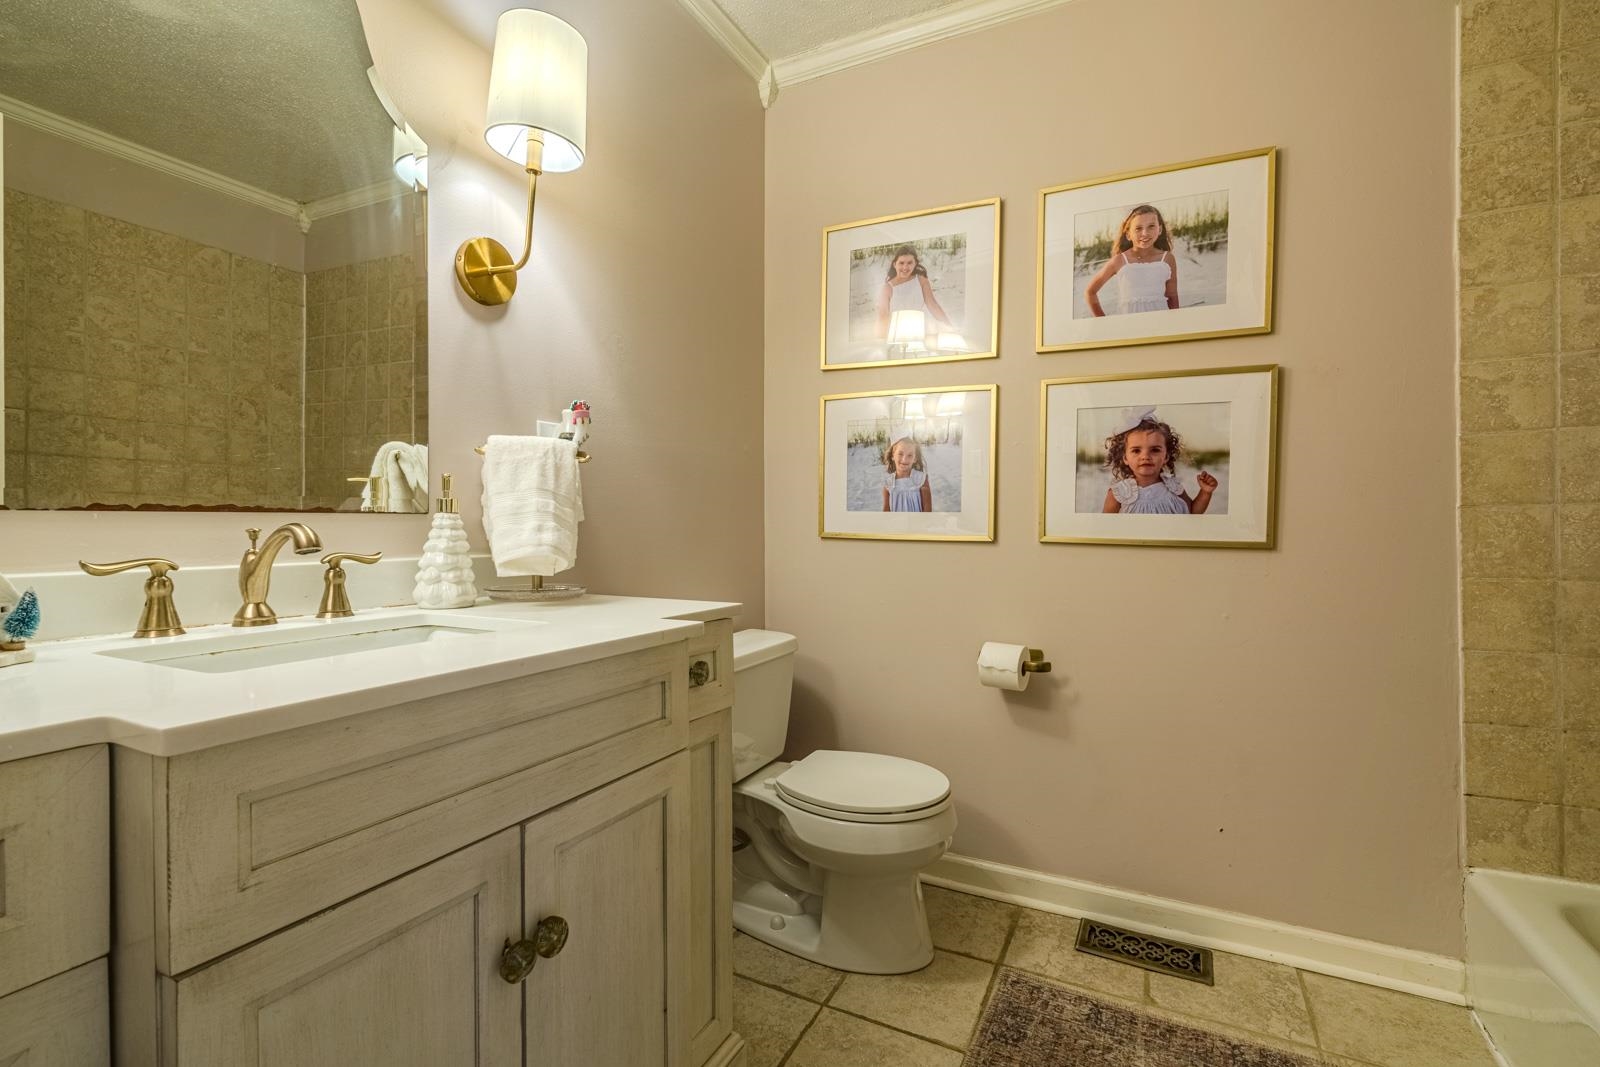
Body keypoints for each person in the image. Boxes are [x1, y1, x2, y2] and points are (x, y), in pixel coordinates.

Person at [1100, 407, 1216, 514]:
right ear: (1125, 458)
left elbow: (1192, 513)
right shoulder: (1119, 493)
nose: (1145, 456)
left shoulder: (1173, 487)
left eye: (1155, 450)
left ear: (1166, 457)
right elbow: (1105, 528)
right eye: (1136, 451)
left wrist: (1205, 492)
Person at [1083, 205, 1180, 317]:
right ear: (1128, 234)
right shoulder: (1119, 261)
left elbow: (1172, 296)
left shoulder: (1167, 259)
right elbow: (1090, 292)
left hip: (1160, 321)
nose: (1145, 233)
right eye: (1138, 228)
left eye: (1151, 226)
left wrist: (1175, 323)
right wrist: (1103, 321)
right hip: (1128, 325)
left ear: (1160, 229)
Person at [875, 246, 956, 345]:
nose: (905, 267)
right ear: (894, 264)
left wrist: (950, 327)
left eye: (909, 263)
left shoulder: (921, 280)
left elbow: (933, 305)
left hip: (919, 330)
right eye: (901, 263)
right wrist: (882, 340)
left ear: (915, 264)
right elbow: (883, 315)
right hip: (897, 335)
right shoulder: (887, 288)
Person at [881, 436, 934, 512]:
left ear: (915, 458)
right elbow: (886, 510)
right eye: (900, 454)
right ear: (893, 455)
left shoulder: (921, 479)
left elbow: (927, 508)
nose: (904, 459)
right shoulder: (888, 483)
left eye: (910, 455)